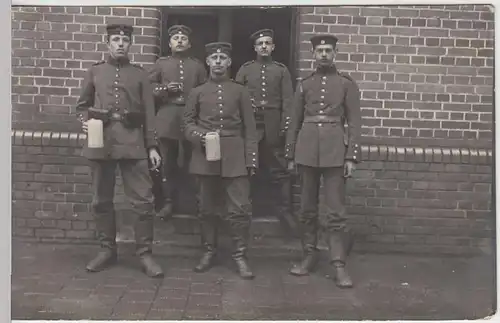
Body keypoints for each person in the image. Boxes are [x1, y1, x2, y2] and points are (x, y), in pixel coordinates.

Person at [76, 24, 164, 278]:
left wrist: (152, 146)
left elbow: (149, 112)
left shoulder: (140, 75)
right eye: (115, 39)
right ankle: (107, 250)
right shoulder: (95, 71)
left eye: (125, 40)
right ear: (107, 43)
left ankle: (145, 253)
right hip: (100, 142)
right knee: (101, 200)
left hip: (133, 142)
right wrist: (85, 120)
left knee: (144, 202)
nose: (120, 44)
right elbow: (82, 105)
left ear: (130, 44)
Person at [285, 34, 361, 288]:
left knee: (335, 211)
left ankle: (338, 263)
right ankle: (309, 255)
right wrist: (291, 155)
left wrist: (351, 156)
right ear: (314, 55)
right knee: (306, 208)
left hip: (334, 152)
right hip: (306, 151)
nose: (324, 54)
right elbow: (294, 122)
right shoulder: (304, 85)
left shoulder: (346, 84)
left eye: (328, 50)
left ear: (335, 52)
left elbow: (355, 123)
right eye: (320, 51)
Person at [183, 42, 258, 279]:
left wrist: (251, 159)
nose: (217, 61)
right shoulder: (197, 92)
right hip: (205, 155)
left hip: (235, 155)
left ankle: (240, 255)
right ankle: (208, 251)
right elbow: (187, 123)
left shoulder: (240, 91)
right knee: (206, 208)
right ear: (207, 62)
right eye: (213, 57)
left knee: (239, 209)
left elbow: (250, 128)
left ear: (229, 63)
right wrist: (200, 136)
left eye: (222, 58)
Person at [235, 29, 297, 237]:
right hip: (251, 125)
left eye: (267, 43)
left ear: (273, 47)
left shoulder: (281, 71)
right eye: (260, 43)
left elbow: (288, 101)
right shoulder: (245, 70)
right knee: (247, 169)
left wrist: (284, 126)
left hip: (273, 124)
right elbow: (236, 98)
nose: (263, 46)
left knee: (280, 170)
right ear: (254, 47)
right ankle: (245, 209)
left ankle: (284, 211)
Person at [148, 25, 207, 220]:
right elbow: (148, 89)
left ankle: (196, 202)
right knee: (167, 162)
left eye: (183, 38)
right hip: (167, 116)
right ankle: (168, 202)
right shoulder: (161, 64)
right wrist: (164, 89)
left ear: (189, 44)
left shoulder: (197, 66)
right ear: (169, 43)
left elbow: (206, 91)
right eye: (176, 38)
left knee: (194, 161)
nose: (180, 41)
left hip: (191, 117)